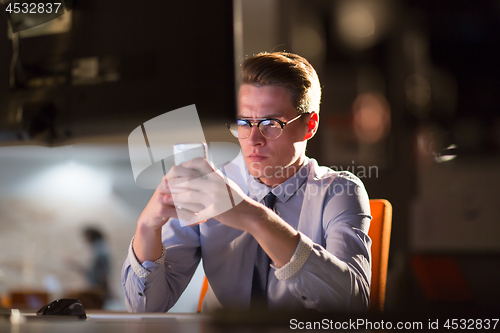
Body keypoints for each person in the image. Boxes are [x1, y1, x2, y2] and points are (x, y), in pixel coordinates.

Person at [122, 52, 372, 313]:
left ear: (309, 125)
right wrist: (147, 227)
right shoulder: (211, 186)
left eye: (271, 123)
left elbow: (353, 306)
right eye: (243, 122)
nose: (253, 139)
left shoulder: (338, 191)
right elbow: (145, 307)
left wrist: (255, 218)